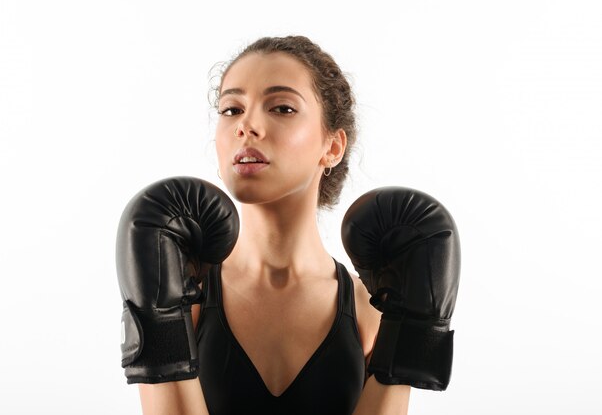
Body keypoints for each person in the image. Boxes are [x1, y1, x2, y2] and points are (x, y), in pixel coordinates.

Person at [118, 35, 458, 415]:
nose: (246, 126)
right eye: (231, 109)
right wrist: (160, 326)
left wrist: (409, 335)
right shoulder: (184, 295)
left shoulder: (369, 307)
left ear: (332, 146)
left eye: (281, 107)